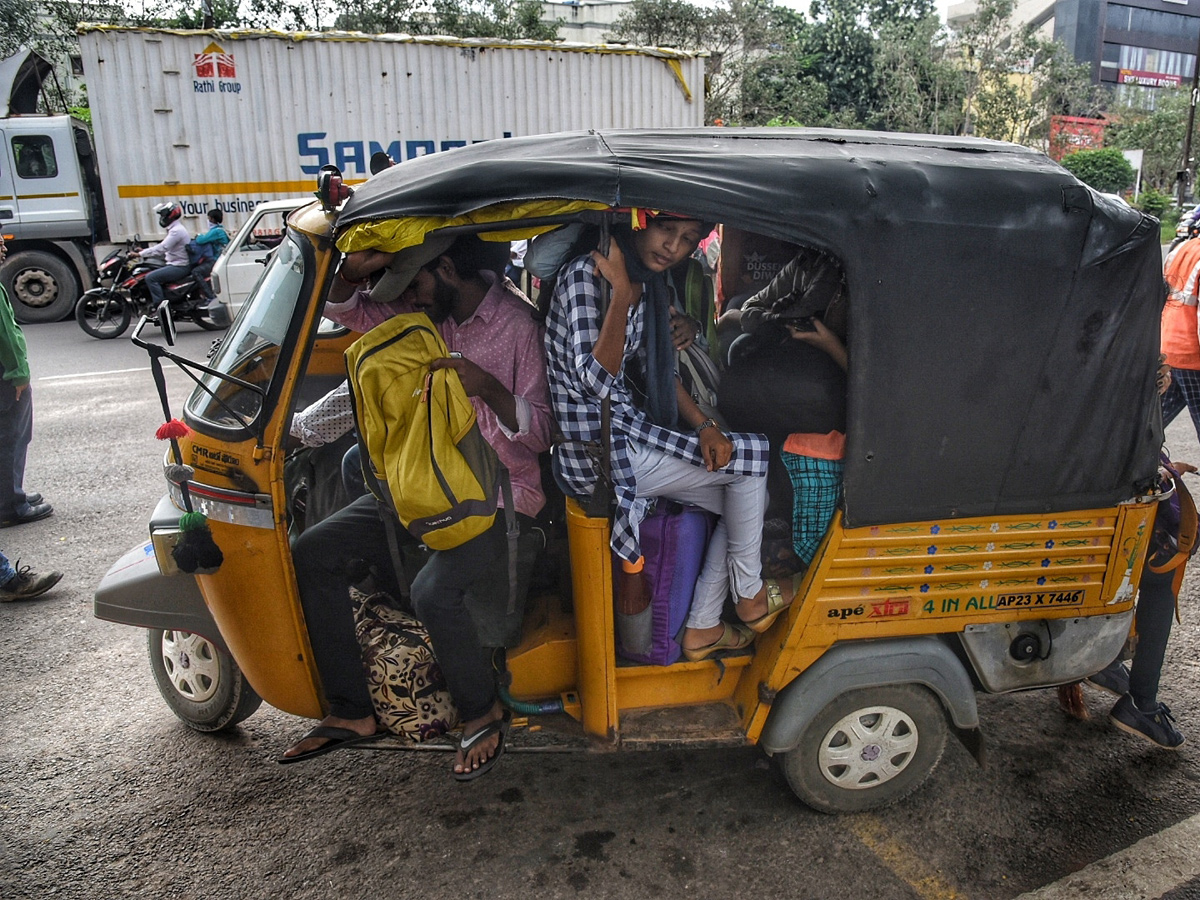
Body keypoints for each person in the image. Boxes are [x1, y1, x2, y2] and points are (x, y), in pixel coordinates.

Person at [281, 235, 554, 781]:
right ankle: (352, 711)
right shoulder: (423, 307)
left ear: (447, 268)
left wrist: (489, 389)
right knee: (313, 552)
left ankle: (483, 711)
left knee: (434, 592)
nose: (406, 295)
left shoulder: (517, 327)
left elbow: (543, 434)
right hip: (419, 486)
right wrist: (361, 264)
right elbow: (345, 308)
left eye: (414, 280)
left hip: (497, 495)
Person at [544, 213, 786, 661]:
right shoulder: (589, 277)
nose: (672, 246)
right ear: (640, 223)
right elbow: (595, 383)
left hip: (627, 433)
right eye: (665, 230)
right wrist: (620, 296)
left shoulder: (651, 286)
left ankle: (704, 625)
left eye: (687, 239)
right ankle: (743, 599)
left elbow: (658, 371)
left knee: (749, 498)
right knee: (753, 462)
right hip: (598, 453)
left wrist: (705, 426)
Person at [1080, 357, 1191, 750]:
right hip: (1108, 488)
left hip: (1081, 481)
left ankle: (1105, 660)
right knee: (1159, 569)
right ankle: (1141, 703)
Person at [0, 234, 52, 527]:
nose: (5, 248)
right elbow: (6, 336)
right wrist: (19, 373)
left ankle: (11, 494)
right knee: (12, 437)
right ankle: (11, 505)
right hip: (5, 376)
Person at [1159, 227, 1200, 443]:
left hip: (1169, 348)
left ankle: (1116, 465)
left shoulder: (1182, 248)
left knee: (1152, 422)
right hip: (1193, 355)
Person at [136, 202, 191, 308]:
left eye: (163, 215)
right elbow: (163, 247)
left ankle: (160, 307)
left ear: (170, 215)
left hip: (179, 266)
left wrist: (140, 254)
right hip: (175, 263)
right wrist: (144, 251)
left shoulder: (176, 231)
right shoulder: (174, 229)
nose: (162, 218)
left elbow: (162, 248)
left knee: (150, 278)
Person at [191, 208, 230, 306]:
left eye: (209, 219)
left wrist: (197, 236)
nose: (208, 221)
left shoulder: (216, 231)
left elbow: (201, 240)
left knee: (196, 272)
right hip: (220, 259)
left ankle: (210, 297)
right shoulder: (220, 229)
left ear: (212, 219)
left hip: (218, 260)